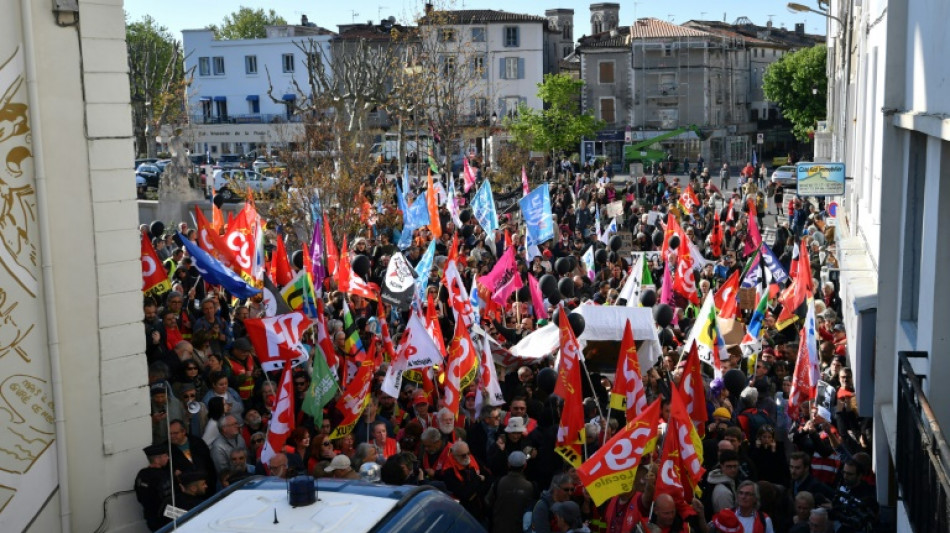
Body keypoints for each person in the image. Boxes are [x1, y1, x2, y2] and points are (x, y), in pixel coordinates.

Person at [487, 451, 536, 533]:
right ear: (525, 466)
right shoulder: (530, 487)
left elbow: (488, 501)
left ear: (508, 464)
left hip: (499, 528)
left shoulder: (498, 482)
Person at [440, 441, 489, 522]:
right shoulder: (449, 471)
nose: (467, 457)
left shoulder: (469, 461)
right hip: (464, 512)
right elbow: (464, 493)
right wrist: (478, 479)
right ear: (454, 456)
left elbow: (487, 477)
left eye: (468, 453)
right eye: (463, 455)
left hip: (479, 506)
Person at [134, 443, 173, 531]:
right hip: (165, 517)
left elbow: (139, 495)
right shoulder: (162, 476)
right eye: (165, 456)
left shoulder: (142, 474)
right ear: (157, 459)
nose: (168, 458)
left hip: (149, 515)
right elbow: (169, 499)